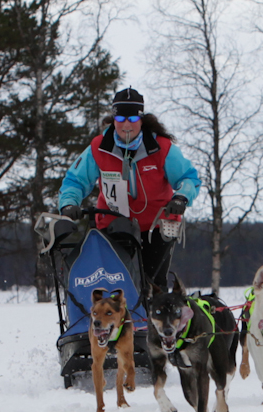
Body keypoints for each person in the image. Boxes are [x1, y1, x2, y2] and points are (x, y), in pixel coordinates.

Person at [58, 87, 200, 288]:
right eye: (121, 119)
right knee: (115, 282)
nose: (126, 125)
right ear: (113, 119)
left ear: (141, 120)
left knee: (152, 285)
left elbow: (189, 178)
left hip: (156, 225)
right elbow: (75, 180)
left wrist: (181, 198)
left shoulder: (162, 147)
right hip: (114, 223)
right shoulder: (99, 148)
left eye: (132, 119)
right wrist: (68, 204)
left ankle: (152, 316)